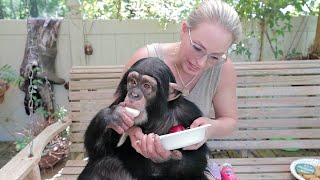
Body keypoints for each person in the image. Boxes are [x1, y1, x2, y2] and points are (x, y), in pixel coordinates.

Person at [114, 0, 242, 179]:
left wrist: (211, 128)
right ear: (184, 30)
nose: (201, 63)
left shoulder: (224, 69)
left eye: (214, 56)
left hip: (188, 165)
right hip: (138, 164)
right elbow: (116, 112)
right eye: (197, 48)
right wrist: (134, 133)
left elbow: (229, 120)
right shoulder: (146, 58)